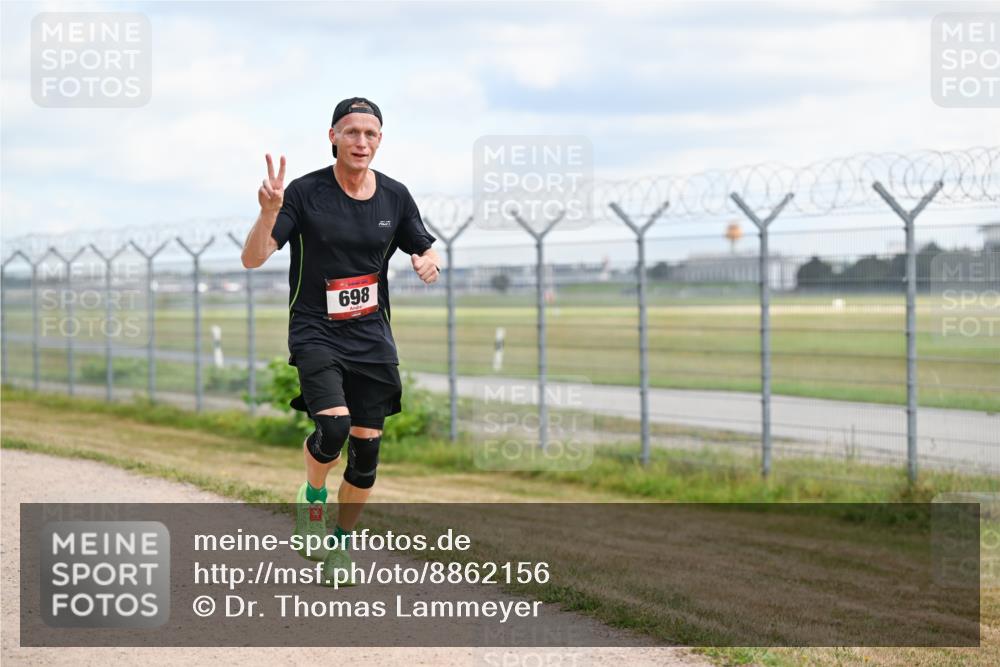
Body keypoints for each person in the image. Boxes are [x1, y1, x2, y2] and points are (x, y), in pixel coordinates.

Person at [240, 97, 440, 584]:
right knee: (333, 429)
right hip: (316, 331)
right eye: (351, 132)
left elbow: (424, 243)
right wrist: (269, 212)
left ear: (380, 141)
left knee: (366, 452)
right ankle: (311, 502)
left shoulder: (395, 196)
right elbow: (254, 256)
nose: (361, 142)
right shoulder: (306, 193)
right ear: (333, 136)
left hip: (372, 337)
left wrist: (429, 260)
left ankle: (340, 548)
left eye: (370, 134)